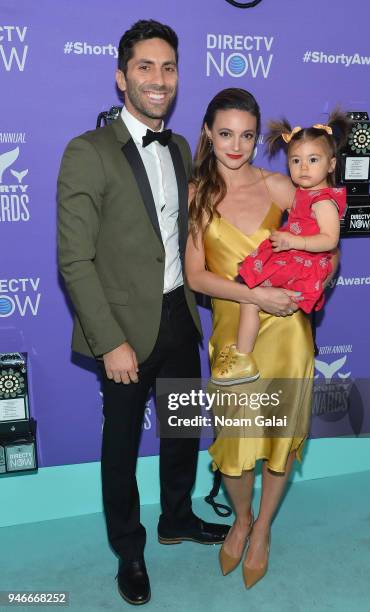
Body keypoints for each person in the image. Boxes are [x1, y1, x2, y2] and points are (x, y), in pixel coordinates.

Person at [57, 20, 229, 606]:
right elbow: (74, 259)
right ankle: (129, 551)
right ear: (121, 77)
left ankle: (176, 517)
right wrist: (109, 341)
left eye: (168, 67)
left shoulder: (181, 148)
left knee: (182, 432)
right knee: (122, 447)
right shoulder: (88, 151)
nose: (159, 80)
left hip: (179, 317)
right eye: (146, 68)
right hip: (123, 330)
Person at [186, 88, 339, 588]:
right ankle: (242, 518)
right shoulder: (196, 193)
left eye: (247, 135)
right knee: (233, 442)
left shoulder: (280, 185)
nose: (235, 145)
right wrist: (255, 295)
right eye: (225, 133)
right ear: (208, 133)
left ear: (257, 138)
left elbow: (327, 244)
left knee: (277, 441)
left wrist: (313, 277)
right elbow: (195, 276)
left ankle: (264, 527)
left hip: (288, 332)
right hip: (236, 332)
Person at [211, 111, 349, 385]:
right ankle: (244, 355)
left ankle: (242, 356)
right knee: (250, 293)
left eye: (313, 160)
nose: (304, 168)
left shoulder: (323, 200)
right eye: (296, 161)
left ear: (331, 164)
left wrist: (293, 243)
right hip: (293, 261)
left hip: (303, 267)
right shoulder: (300, 194)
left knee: (249, 292)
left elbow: (330, 241)